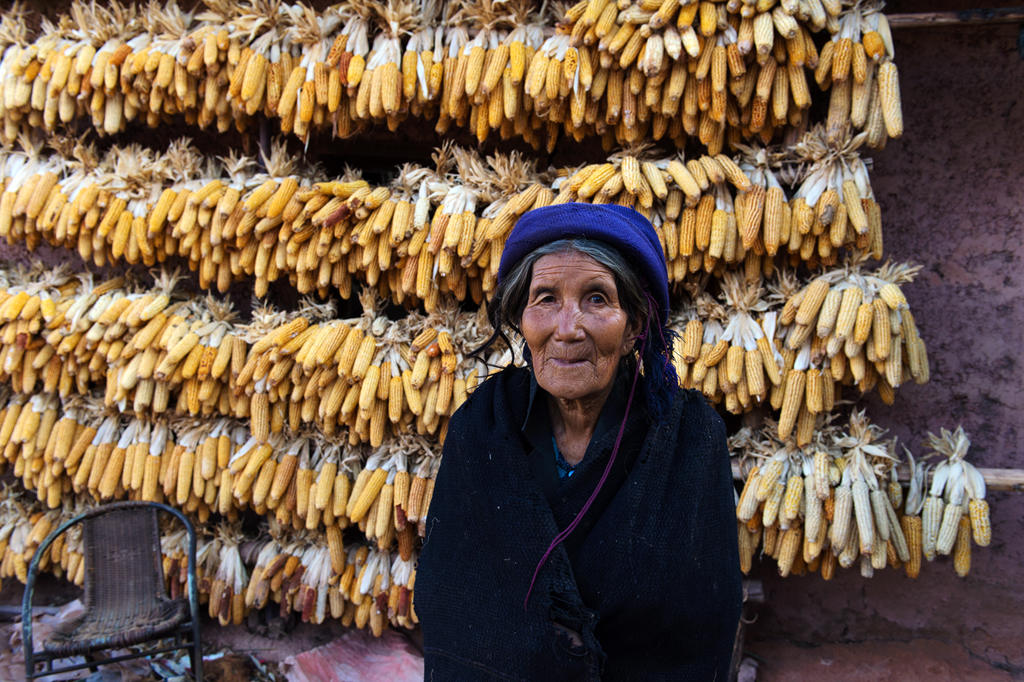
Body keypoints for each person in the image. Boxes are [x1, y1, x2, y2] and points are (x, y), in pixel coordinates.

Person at [416, 203, 741, 681]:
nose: (567, 328)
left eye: (596, 299)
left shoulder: (689, 437)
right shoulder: (484, 425)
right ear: (522, 320)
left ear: (633, 328)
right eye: (545, 298)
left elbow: (699, 621)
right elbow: (453, 595)